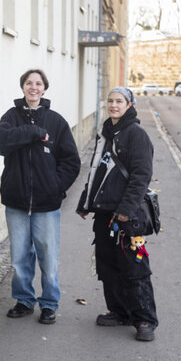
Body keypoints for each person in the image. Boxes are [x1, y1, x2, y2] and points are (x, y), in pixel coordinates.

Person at [0, 70, 80, 324]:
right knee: (20, 257)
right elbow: (3, 141)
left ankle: (49, 303)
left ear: (44, 89)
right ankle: (24, 300)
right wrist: (33, 132)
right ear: (23, 87)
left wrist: (57, 187)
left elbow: (71, 161)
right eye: (29, 83)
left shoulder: (56, 121)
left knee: (48, 256)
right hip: (17, 202)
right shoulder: (10, 118)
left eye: (38, 83)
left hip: (46, 204)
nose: (33, 87)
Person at [77, 87, 159, 342]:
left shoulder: (136, 135)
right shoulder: (107, 133)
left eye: (119, 101)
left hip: (129, 217)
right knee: (108, 266)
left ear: (129, 104)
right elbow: (96, 172)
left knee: (136, 266)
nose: (113, 105)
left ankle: (145, 318)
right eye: (110, 101)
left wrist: (126, 210)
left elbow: (141, 177)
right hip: (104, 214)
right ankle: (119, 311)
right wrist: (85, 202)